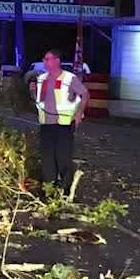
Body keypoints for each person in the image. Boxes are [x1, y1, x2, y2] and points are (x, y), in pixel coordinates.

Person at [32, 48, 90, 193]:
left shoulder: (69, 78)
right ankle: (49, 188)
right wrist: (32, 90)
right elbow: (39, 100)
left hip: (63, 124)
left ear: (57, 61)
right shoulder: (42, 78)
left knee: (63, 157)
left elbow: (85, 94)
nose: (44, 62)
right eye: (44, 59)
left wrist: (79, 114)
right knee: (47, 158)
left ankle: (65, 189)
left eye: (47, 59)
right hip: (46, 124)